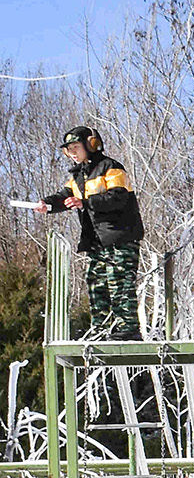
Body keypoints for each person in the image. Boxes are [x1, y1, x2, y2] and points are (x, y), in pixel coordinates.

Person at [37, 126, 144, 340]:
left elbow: (118, 197)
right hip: (96, 242)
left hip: (120, 238)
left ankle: (128, 330)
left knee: (119, 283)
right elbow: (64, 196)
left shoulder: (111, 168)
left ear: (91, 145)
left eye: (76, 147)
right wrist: (47, 204)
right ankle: (101, 329)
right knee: (96, 284)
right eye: (69, 150)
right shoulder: (79, 176)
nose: (73, 153)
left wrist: (85, 202)